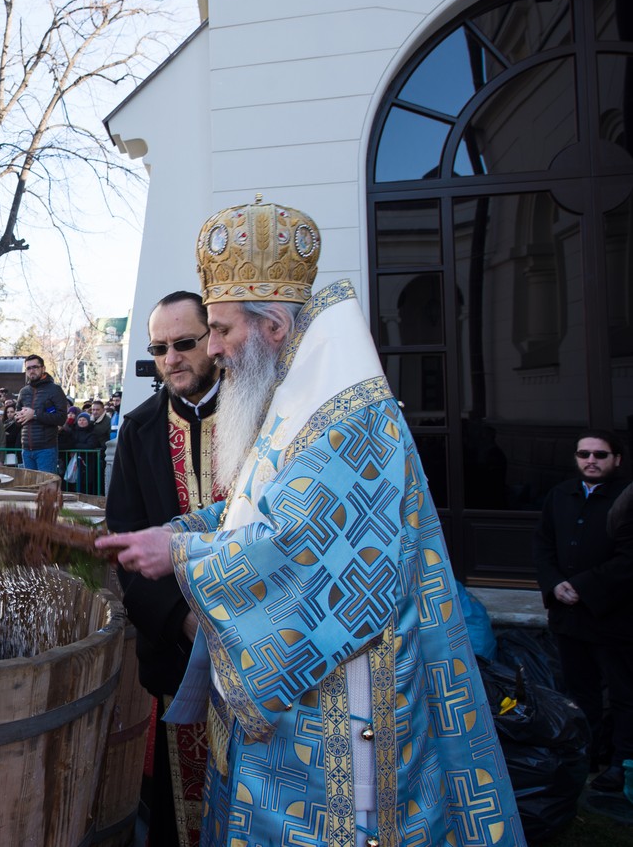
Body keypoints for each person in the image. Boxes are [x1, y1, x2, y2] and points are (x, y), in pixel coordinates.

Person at [96, 199, 524, 847]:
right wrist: (178, 533)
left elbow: (301, 548)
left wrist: (178, 558)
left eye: (218, 330)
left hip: (348, 703)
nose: (212, 349)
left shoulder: (343, 414)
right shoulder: (300, 392)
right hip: (310, 684)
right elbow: (255, 506)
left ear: (270, 326)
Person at [105, 290, 221, 847]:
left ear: (213, 340)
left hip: (264, 650)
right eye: (159, 348)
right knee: (183, 813)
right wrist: (183, 622)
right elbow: (124, 550)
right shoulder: (140, 429)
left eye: (184, 343)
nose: (171, 358)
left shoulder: (264, 414)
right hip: (179, 656)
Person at [532, 431, 632, 794]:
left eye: (600, 454)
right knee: (580, 689)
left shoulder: (628, 497)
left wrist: (584, 587)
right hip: (567, 616)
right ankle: (584, 755)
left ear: (616, 460)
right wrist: (555, 583)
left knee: (624, 694)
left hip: (615, 616)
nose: (591, 460)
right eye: (584, 453)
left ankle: (623, 763)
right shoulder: (561, 494)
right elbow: (543, 544)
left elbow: (629, 559)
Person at [15, 354, 68, 474]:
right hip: (26, 449)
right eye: (28, 368)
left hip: (46, 449)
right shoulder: (23, 392)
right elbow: (16, 419)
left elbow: (61, 418)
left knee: (46, 487)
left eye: (35, 367)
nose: (31, 371)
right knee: (31, 489)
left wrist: (35, 415)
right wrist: (18, 417)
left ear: (43, 368)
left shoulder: (55, 390)